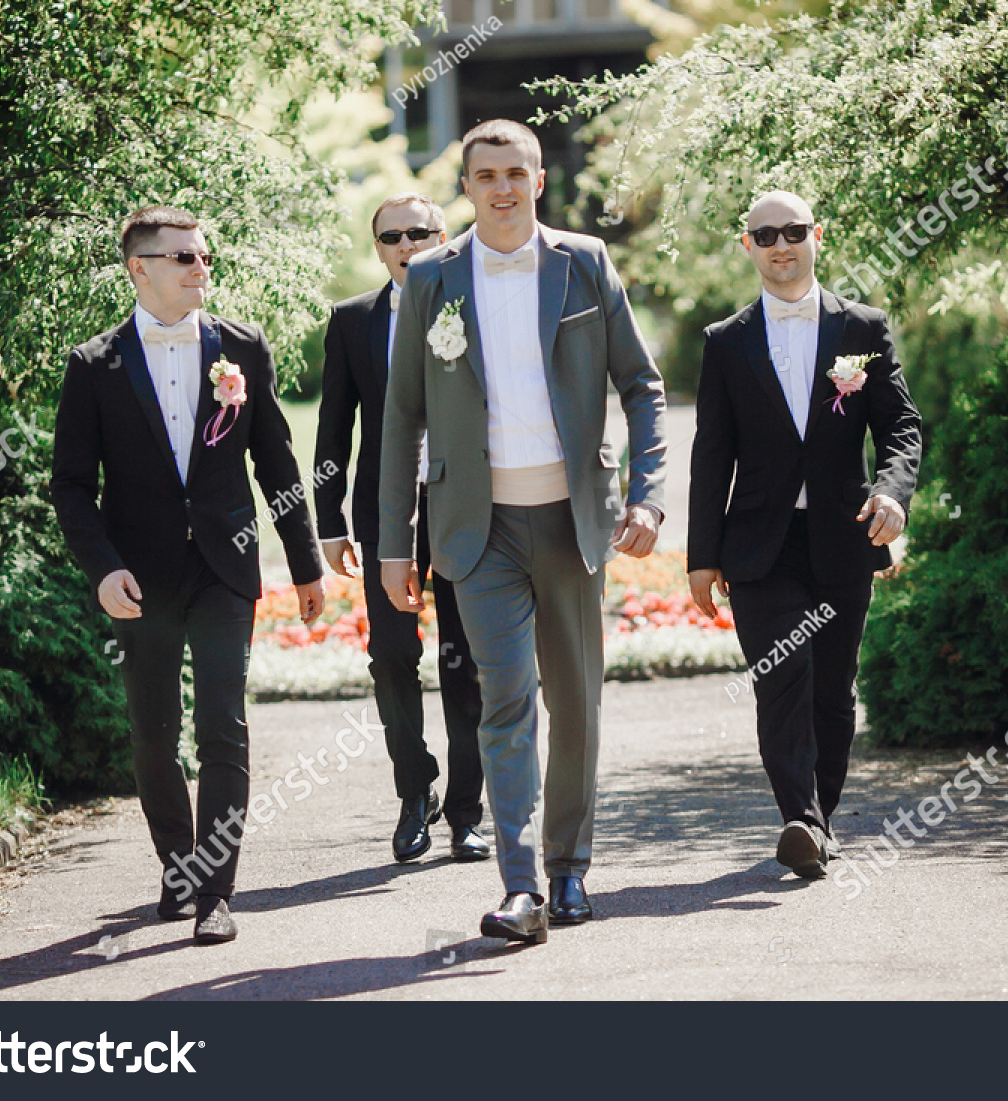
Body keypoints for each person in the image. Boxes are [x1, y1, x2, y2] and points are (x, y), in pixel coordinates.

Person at [377, 119, 667, 944]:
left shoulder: (584, 263)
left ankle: (570, 865)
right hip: (478, 529)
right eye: (485, 174)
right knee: (505, 705)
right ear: (465, 186)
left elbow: (643, 387)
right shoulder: (431, 277)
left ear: (539, 180)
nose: (501, 186)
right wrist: (396, 541)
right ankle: (520, 888)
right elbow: (402, 414)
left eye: (516, 172)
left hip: (574, 522)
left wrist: (645, 495)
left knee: (574, 704)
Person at [52, 206, 325, 944]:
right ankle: (176, 864)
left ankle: (217, 891)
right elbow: (71, 485)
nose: (201, 267)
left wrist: (306, 564)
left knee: (223, 728)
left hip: (223, 566)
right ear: (140, 268)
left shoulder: (241, 345)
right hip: (138, 577)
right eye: (184, 258)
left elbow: (276, 462)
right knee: (152, 733)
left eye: (205, 256)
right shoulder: (93, 364)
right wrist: (102, 567)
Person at [687, 190, 923, 879]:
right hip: (759, 546)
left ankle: (818, 818)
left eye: (793, 231)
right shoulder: (724, 342)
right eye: (766, 234)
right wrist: (703, 557)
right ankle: (802, 821)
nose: (780, 244)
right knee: (782, 678)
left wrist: (892, 493)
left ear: (818, 235)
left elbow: (901, 428)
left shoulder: (864, 328)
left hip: (842, 534)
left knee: (832, 689)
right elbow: (712, 453)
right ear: (747, 245)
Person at [313, 193, 488, 865]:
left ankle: (467, 814)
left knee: (466, 662)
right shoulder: (353, 320)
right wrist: (328, 520)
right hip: (385, 514)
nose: (407, 244)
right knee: (390, 656)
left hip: (467, 506)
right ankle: (416, 790)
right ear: (378, 245)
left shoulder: (473, 306)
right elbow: (333, 425)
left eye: (420, 233)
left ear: (444, 238)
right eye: (393, 236)